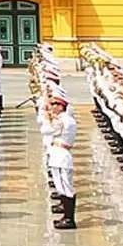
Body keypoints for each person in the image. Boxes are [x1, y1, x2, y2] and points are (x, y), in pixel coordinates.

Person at [44, 94, 78, 230]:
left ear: (60, 106)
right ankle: (66, 215)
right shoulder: (64, 119)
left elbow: (47, 130)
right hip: (58, 155)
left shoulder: (63, 120)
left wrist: (46, 116)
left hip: (62, 156)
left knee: (66, 187)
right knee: (61, 186)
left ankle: (69, 219)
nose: (51, 108)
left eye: (54, 105)